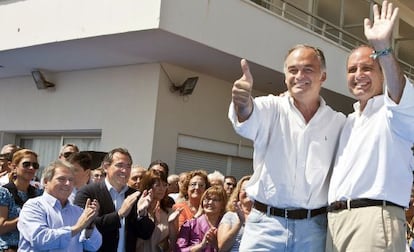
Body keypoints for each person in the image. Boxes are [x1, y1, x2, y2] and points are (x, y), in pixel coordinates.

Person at [228, 43, 346, 250]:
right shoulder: (271, 107)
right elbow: (248, 116)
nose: (299, 75)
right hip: (265, 226)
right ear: (285, 77)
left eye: (308, 69)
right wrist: (243, 102)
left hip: (314, 230)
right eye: (293, 70)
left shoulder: (338, 122)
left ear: (323, 76)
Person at [326, 1, 414, 251]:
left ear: (382, 74)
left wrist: (383, 49)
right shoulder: (348, 121)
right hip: (334, 222)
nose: (359, 74)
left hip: (373, 219)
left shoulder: (393, 111)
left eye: (367, 68)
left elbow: (399, 91)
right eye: (352, 69)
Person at [74, 147, 155, 252]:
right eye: (119, 165)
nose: (125, 171)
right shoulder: (88, 192)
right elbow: (84, 227)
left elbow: (146, 234)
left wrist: (142, 215)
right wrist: (119, 215)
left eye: (128, 166)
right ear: (106, 167)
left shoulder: (134, 195)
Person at [17, 159, 102, 251]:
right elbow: (40, 240)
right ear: (46, 182)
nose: (68, 184)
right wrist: (77, 227)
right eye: (61, 179)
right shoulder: (33, 207)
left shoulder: (78, 212)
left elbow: (93, 247)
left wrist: (89, 225)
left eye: (71, 180)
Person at [135, 169, 181, 251]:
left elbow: (173, 244)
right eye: (157, 185)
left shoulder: (170, 212)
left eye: (164, 185)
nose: (162, 189)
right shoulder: (135, 208)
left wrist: (171, 223)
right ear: (148, 187)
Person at [176, 186, 227, 252]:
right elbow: (179, 250)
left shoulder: (227, 225)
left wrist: (216, 244)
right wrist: (201, 246)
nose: (210, 202)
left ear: (223, 204)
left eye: (215, 200)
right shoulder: (190, 225)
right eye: (207, 199)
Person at [218, 175, 252, 252]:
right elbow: (222, 247)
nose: (247, 192)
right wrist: (240, 222)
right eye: (244, 189)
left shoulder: (264, 217)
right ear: (238, 194)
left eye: (251, 189)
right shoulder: (230, 216)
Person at [0, 186, 19, 252]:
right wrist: (23, 218)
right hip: (9, 248)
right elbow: (1, 227)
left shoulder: (38, 192)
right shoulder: (3, 192)